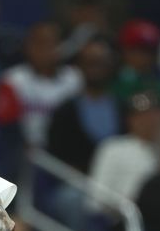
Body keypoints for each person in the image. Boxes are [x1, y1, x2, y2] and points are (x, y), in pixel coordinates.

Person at [0, 21, 82, 149]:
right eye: (39, 43)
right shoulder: (12, 79)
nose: (45, 50)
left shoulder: (74, 78)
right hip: (25, 153)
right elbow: (5, 125)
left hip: (64, 151)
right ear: (27, 46)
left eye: (51, 43)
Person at [47, 36, 120, 174]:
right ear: (79, 65)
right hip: (76, 183)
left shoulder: (122, 109)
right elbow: (56, 156)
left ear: (111, 65)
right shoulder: (65, 112)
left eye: (101, 63)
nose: (95, 69)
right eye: (90, 62)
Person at [90, 90, 160, 202]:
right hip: (121, 216)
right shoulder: (113, 147)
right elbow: (97, 196)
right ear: (130, 119)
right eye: (142, 116)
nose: (150, 120)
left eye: (154, 114)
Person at [112, 19, 160, 116]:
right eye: (134, 50)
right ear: (124, 51)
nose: (141, 57)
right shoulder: (114, 83)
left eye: (146, 51)